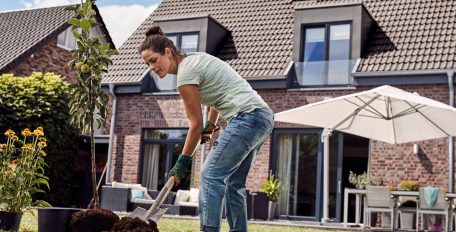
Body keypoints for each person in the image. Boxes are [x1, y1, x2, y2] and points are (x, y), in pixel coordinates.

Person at [139, 26, 274, 232]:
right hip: (262, 117)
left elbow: (195, 125)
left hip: (246, 118)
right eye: (148, 64)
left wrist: (181, 164)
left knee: (210, 176)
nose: (152, 67)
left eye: (153, 60)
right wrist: (210, 130)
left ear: (167, 51)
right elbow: (216, 97)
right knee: (233, 184)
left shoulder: (185, 74)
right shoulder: (196, 59)